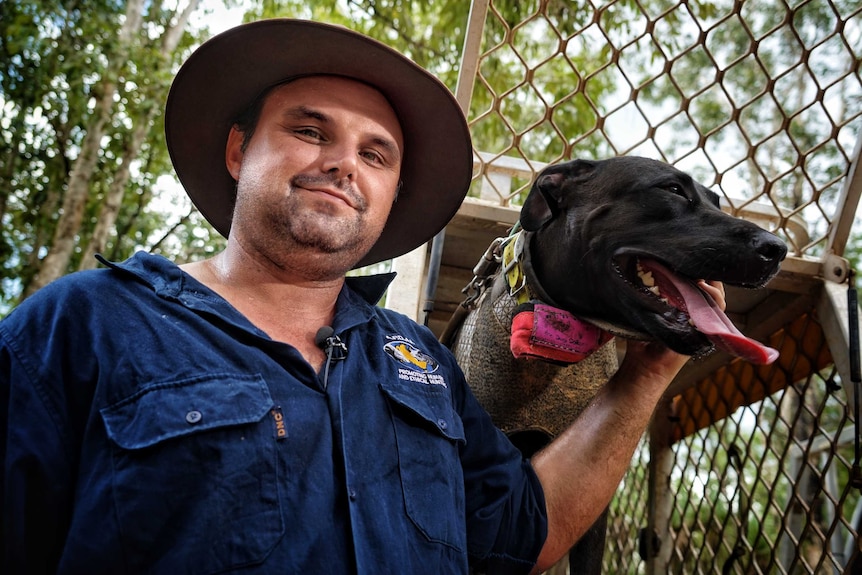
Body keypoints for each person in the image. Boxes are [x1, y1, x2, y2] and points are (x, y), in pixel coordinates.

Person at [0, 18, 725, 575]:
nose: (345, 162)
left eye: (376, 153)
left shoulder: (422, 365)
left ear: (387, 195)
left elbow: (521, 534)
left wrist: (647, 372)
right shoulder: (80, 323)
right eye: (310, 130)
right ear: (236, 151)